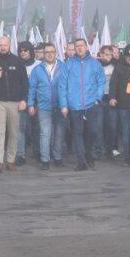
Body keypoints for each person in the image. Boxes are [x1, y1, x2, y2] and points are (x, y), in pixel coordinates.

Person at [0, 36, 29, 172]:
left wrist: (24, 100)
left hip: (15, 102)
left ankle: (10, 160)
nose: (3, 47)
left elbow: (25, 83)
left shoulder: (17, 61)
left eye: (5, 45)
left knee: (14, 132)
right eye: (0, 45)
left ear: (9, 45)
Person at [57, 38, 106, 171]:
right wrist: (64, 105)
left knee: (93, 131)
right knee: (77, 133)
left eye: (81, 45)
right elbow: (62, 86)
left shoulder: (95, 64)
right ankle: (81, 161)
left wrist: (97, 98)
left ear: (86, 47)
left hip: (91, 104)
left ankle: (88, 153)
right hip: (74, 105)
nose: (79, 48)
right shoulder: (68, 64)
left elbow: (101, 81)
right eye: (76, 46)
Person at [28, 43, 65, 169]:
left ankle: (58, 157)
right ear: (43, 54)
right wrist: (31, 104)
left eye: (52, 52)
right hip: (44, 107)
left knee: (59, 133)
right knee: (45, 133)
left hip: (60, 106)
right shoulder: (37, 70)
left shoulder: (64, 67)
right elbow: (32, 88)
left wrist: (67, 104)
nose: (49, 54)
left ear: (56, 53)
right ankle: (45, 160)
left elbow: (69, 86)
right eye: (47, 52)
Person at [16, 41, 40, 166]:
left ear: (30, 51)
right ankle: (20, 154)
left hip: (36, 102)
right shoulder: (17, 65)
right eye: (21, 50)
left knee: (37, 128)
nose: (23, 52)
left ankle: (37, 152)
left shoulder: (39, 65)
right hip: (21, 101)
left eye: (25, 50)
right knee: (21, 129)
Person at [96, 45, 118, 159]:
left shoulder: (116, 66)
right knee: (99, 126)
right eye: (105, 54)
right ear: (100, 55)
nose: (107, 57)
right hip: (99, 99)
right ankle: (99, 149)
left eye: (110, 54)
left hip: (111, 99)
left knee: (112, 126)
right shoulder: (96, 65)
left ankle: (110, 148)